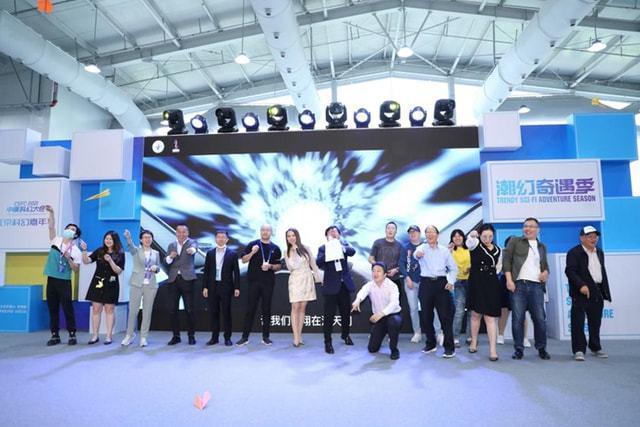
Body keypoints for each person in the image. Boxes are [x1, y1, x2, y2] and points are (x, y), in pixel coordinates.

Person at [503, 217, 550, 360]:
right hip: (519, 285)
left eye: (531, 226)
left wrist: (546, 272)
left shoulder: (542, 246)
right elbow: (507, 261)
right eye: (525, 226)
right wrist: (509, 280)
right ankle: (518, 349)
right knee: (518, 318)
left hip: (536, 286)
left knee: (540, 319)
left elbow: (545, 265)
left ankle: (541, 348)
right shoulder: (515, 241)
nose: (527, 229)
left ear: (537, 230)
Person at [565, 226, 612, 361]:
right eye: (590, 236)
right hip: (581, 291)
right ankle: (579, 349)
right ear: (582, 238)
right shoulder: (574, 252)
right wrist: (581, 285)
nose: (593, 239)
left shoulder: (599, 252)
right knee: (578, 322)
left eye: (595, 237)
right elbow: (570, 271)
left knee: (595, 321)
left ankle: (595, 347)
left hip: (597, 290)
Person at [414, 225, 458, 358]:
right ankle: (430, 344)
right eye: (427, 232)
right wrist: (417, 254)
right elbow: (416, 254)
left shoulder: (444, 251)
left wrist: (451, 281)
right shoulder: (421, 248)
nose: (430, 234)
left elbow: (453, 268)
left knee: (445, 317)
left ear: (437, 235)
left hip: (441, 284)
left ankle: (449, 347)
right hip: (425, 283)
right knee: (426, 316)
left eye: (432, 232)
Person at [43, 205, 83, 346]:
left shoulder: (76, 251)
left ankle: (72, 334)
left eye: (73, 229)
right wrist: (52, 213)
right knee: (52, 307)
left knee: (67, 308)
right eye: (68, 228)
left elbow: (76, 269)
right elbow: (51, 227)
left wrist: (68, 258)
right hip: (51, 279)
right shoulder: (56, 240)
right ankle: (55, 335)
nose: (69, 230)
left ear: (76, 235)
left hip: (64, 281)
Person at [236, 224, 282, 346]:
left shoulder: (275, 248)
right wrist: (252, 252)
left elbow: (278, 266)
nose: (265, 232)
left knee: (266, 309)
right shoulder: (253, 244)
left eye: (267, 230)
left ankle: (266, 337)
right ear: (260, 232)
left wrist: (270, 266)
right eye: (263, 230)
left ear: (271, 232)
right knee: (250, 309)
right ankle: (244, 337)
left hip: (268, 283)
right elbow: (244, 260)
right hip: (253, 282)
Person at [316, 225, 356, 354]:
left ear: (339, 234)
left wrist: (340, 247)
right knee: (329, 316)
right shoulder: (323, 248)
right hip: (331, 286)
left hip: (344, 285)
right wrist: (330, 250)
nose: (333, 233)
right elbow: (319, 262)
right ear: (326, 236)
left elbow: (352, 251)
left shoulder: (344, 245)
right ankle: (327, 342)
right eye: (330, 232)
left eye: (335, 232)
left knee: (345, 313)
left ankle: (345, 335)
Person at [81, 230, 125, 345]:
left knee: (109, 309)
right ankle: (95, 335)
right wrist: (84, 250)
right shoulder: (100, 251)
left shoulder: (120, 253)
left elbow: (118, 271)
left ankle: (109, 336)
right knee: (96, 309)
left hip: (111, 284)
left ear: (115, 241)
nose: (108, 241)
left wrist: (110, 261)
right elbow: (86, 261)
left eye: (110, 239)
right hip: (98, 283)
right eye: (106, 238)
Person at [466, 224, 502, 361]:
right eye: (484, 236)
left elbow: (498, 267)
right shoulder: (475, 245)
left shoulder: (498, 250)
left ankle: (493, 350)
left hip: (492, 284)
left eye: (490, 236)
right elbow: (469, 241)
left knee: (490, 317)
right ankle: (474, 341)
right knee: (476, 314)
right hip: (477, 283)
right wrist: (473, 234)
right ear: (480, 236)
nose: (487, 239)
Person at [352, 262, 402, 360]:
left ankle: (394, 350)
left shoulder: (392, 286)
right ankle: (382, 332)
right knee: (372, 349)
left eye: (379, 271)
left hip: (393, 315)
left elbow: (394, 303)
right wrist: (357, 301)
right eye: (373, 271)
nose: (375, 273)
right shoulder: (370, 285)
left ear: (385, 274)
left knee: (393, 322)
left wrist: (381, 314)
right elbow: (362, 292)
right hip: (380, 319)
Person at [121, 229, 160, 347]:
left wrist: (156, 268)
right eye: (145, 237)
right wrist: (128, 238)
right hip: (136, 284)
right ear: (141, 240)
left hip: (150, 285)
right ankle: (129, 335)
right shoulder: (137, 250)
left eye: (149, 237)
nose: (147, 239)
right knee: (133, 311)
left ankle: (143, 337)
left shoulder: (156, 253)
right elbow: (130, 246)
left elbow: (158, 268)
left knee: (147, 312)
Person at [202, 230, 240, 347]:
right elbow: (206, 271)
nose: (220, 239)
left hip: (226, 287)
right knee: (214, 312)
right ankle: (214, 338)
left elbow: (236, 272)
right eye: (218, 237)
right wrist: (205, 287)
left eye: (223, 237)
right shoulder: (210, 253)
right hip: (212, 286)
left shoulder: (232, 254)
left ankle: (227, 338)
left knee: (226, 313)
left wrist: (237, 287)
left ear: (227, 239)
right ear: (215, 239)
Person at [284, 228, 320, 347]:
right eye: (289, 236)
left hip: (306, 278)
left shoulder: (305, 248)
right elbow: (290, 268)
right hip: (295, 279)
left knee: (302, 307)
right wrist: (293, 253)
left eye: (293, 235)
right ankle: (295, 337)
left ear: (297, 236)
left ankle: (300, 336)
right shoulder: (286, 251)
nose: (291, 238)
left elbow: (313, 264)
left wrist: (319, 278)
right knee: (295, 306)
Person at [165, 224, 199, 345]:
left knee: (189, 309)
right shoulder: (171, 245)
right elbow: (167, 261)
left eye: (184, 232)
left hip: (187, 279)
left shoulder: (192, 242)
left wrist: (192, 250)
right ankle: (176, 336)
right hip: (173, 280)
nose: (181, 234)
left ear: (187, 233)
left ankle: (191, 336)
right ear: (176, 233)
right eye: (179, 232)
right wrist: (170, 256)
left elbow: (195, 248)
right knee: (172, 309)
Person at [399, 225, 423, 343]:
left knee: (431, 308)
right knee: (413, 308)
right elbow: (401, 264)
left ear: (419, 233)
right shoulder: (405, 247)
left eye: (415, 232)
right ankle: (417, 332)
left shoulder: (425, 246)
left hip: (425, 281)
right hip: (410, 281)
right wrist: (407, 277)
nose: (413, 234)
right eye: (411, 232)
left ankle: (438, 332)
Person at [449, 229, 470, 347]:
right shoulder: (450, 250)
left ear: (463, 237)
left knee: (472, 311)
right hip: (458, 283)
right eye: (455, 236)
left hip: (471, 282)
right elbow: (447, 265)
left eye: (459, 236)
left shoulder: (470, 248)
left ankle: (470, 336)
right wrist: (449, 251)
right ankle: (455, 337)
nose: (457, 238)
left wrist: (470, 268)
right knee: (459, 311)